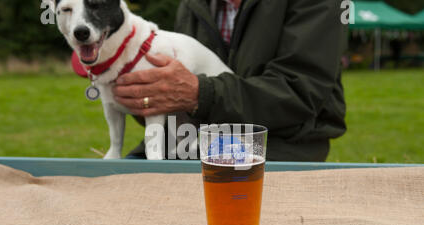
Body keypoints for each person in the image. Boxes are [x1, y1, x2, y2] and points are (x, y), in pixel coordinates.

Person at [112, 0, 348, 161]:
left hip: (271, 150)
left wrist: (199, 94)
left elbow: (300, 92)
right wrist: (144, 92)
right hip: (185, 147)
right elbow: (175, 92)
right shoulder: (194, 4)